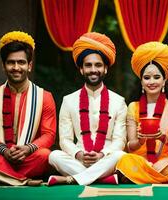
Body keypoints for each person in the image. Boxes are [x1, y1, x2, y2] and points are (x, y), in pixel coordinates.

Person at [48, 32, 127, 186]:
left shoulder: (118, 101)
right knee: (54, 155)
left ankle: (73, 179)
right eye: (88, 65)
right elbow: (65, 139)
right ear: (81, 69)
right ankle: (102, 179)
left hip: (106, 158)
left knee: (121, 155)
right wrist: (78, 154)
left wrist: (102, 155)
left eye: (98, 65)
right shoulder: (68, 100)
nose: (93, 70)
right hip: (78, 158)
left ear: (105, 69)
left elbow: (119, 140)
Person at [0, 31, 56, 186]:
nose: (16, 67)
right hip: (2, 156)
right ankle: (24, 180)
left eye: (21, 62)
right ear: (3, 65)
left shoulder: (45, 97)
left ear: (29, 66)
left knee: (46, 155)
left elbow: (49, 135)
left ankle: (5, 177)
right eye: (10, 62)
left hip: (30, 157)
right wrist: (5, 151)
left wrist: (27, 149)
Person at [116, 42, 168, 184]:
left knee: (167, 167)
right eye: (147, 78)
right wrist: (140, 141)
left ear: (164, 80)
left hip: (165, 161)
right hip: (139, 161)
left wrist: (163, 137)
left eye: (156, 77)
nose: (151, 82)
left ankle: (140, 177)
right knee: (125, 160)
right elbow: (130, 145)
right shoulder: (133, 107)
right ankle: (154, 177)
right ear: (141, 82)